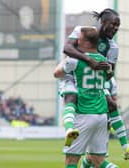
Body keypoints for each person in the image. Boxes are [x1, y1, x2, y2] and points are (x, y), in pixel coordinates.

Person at [54, 8, 129, 160]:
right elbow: (67, 48)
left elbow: (109, 75)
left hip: (92, 82)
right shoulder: (82, 31)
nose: (115, 29)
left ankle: (125, 145)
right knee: (72, 96)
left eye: (118, 26)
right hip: (71, 74)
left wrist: (106, 69)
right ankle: (70, 129)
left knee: (111, 104)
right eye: (113, 24)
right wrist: (90, 61)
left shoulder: (112, 47)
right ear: (102, 22)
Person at [62, 27, 119, 168]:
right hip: (101, 116)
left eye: (79, 40)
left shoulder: (75, 61)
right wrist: (107, 70)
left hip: (84, 114)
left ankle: (69, 128)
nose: (77, 43)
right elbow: (109, 74)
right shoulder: (103, 61)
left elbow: (57, 73)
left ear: (87, 44)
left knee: (71, 160)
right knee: (98, 162)